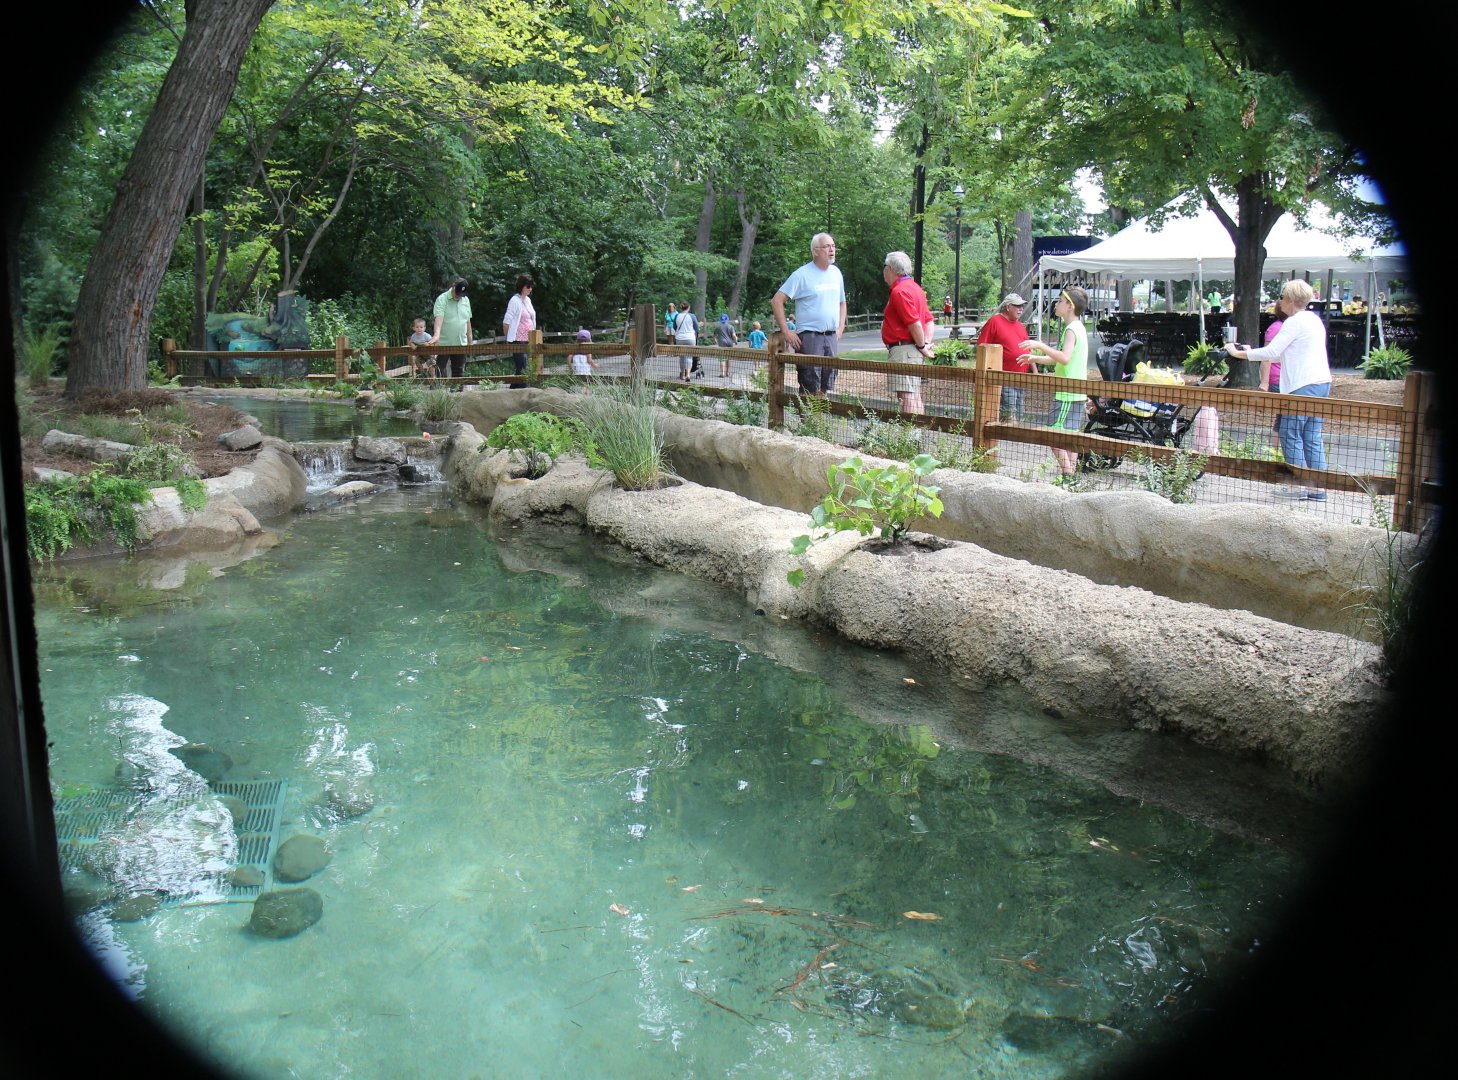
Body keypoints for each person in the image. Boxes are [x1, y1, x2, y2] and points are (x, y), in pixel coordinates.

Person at [1226, 278, 1331, 501]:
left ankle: (1298, 486)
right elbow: (1287, 353)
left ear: (1291, 300)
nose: (1280, 301)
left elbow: (1273, 353)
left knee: (1289, 433)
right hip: (1321, 383)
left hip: (1303, 387)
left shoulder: (1294, 322)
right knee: (1311, 435)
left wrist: (1239, 354)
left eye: (1282, 297)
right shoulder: (1313, 320)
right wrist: (1252, 350)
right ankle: (1318, 488)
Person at [1022, 285, 1089, 486]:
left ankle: (1068, 476)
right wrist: (1036, 358)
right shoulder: (1078, 327)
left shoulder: (1071, 330)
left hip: (1067, 393)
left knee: (1052, 434)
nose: (1056, 304)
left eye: (1060, 301)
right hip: (1076, 393)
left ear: (1070, 306)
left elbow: (1065, 358)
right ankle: (1072, 477)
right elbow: (1060, 358)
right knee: (1068, 437)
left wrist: (1040, 345)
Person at [771, 232, 846, 396]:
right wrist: (786, 331)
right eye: (827, 246)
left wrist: (840, 328)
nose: (832, 250)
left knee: (827, 382)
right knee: (809, 383)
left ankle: (817, 421)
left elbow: (842, 302)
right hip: (809, 337)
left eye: (833, 246)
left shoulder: (836, 273)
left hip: (831, 336)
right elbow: (777, 300)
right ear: (816, 251)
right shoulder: (801, 275)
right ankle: (806, 420)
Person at [879, 251, 935, 416]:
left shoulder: (900, 291)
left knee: (906, 395)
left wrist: (922, 345)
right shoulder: (915, 288)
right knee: (913, 393)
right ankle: (915, 435)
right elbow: (929, 321)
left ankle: (910, 437)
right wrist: (924, 343)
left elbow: (915, 323)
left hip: (904, 349)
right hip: (912, 350)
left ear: (890, 269)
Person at [976, 292, 1035, 420]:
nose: (1021, 309)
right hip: (1004, 377)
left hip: (1020, 378)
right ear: (1008, 307)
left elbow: (1028, 350)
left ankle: (1014, 437)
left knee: (1019, 415)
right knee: (1008, 413)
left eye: (1022, 306)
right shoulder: (995, 321)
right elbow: (982, 346)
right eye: (1017, 306)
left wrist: (1034, 371)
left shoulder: (1020, 326)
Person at [430, 277, 472, 380]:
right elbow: (439, 319)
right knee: (440, 370)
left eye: (461, 294)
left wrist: (470, 341)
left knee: (459, 372)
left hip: (461, 343)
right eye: (457, 293)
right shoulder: (442, 299)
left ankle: (458, 395)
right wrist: (436, 335)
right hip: (444, 343)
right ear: (453, 286)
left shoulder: (466, 300)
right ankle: (440, 395)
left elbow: (468, 321)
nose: (459, 296)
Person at [501, 273, 536, 388]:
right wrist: (508, 339)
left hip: (528, 340)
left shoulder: (528, 300)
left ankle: (512, 392)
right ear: (521, 286)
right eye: (528, 286)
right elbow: (506, 322)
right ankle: (522, 393)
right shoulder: (514, 300)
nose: (530, 289)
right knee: (523, 368)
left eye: (531, 287)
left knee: (523, 368)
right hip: (518, 340)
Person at [672, 301, 698, 381]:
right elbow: (696, 328)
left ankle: (682, 375)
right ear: (689, 307)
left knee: (682, 357)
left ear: (681, 307)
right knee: (689, 356)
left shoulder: (677, 316)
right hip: (690, 338)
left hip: (680, 338)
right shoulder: (692, 316)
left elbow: (674, 327)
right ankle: (688, 375)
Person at [713, 313, 737, 378]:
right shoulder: (731, 327)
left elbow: (714, 336)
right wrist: (735, 341)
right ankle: (728, 372)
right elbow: (734, 336)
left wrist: (715, 341)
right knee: (728, 358)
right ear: (727, 319)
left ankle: (722, 373)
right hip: (729, 343)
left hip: (721, 344)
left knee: (722, 358)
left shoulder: (718, 327)